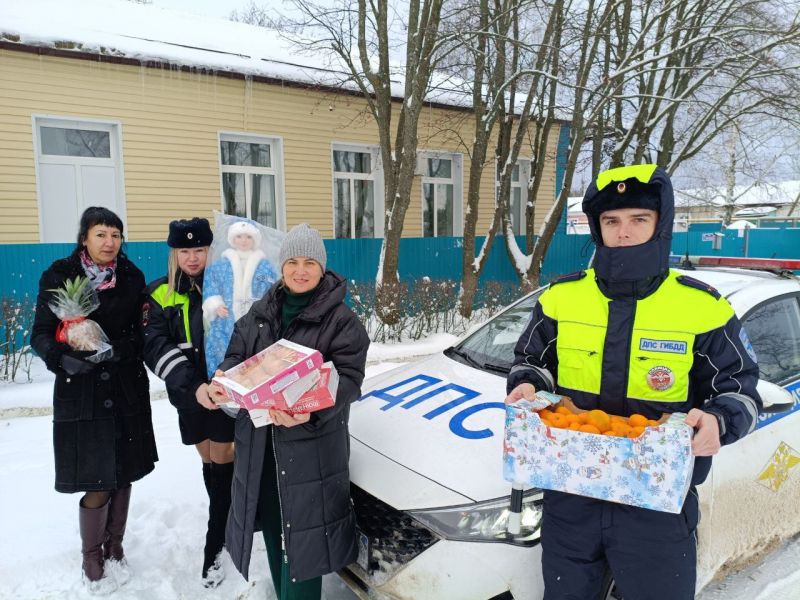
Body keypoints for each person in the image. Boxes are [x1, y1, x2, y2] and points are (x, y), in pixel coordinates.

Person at [505, 164, 761, 600]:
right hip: (571, 494)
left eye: (638, 219)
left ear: (660, 225)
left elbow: (738, 388)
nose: (623, 232)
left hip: (658, 503)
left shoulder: (701, 306)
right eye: (611, 221)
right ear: (597, 227)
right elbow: (532, 361)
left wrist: (720, 419)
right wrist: (527, 385)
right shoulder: (561, 297)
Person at [205, 223, 370, 600]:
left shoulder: (341, 320)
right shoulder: (261, 312)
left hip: (308, 453)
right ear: (281, 266)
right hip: (261, 449)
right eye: (292, 261)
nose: (300, 270)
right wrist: (227, 377)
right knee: (276, 533)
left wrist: (309, 412)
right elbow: (236, 352)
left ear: (322, 267)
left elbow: (349, 380)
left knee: (303, 546)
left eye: (309, 262)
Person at [31, 206, 158, 595]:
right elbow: (39, 333)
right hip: (81, 390)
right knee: (97, 477)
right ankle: (91, 554)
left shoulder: (133, 278)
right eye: (101, 234)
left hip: (124, 388)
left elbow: (143, 334)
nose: (109, 242)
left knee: (124, 472)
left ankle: (115, 545)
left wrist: (119, 350)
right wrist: (59, 357)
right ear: (84, 237)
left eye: (116, 235)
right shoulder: (58, 276)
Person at [141, 217, 235, 588]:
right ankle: (228, 514)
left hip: (225, 393)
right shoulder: (160, 293)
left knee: (223, 454)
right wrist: (194, 387)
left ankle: (217, 540)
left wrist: (225, 379)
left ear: (210, 249)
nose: (193, 257)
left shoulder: (226, 288)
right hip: (189, 396)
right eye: (185, 250)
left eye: (199, 249)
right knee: (207, 455)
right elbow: (155, 345)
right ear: (174, 253)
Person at [203, 219, 279, 378]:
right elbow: (211, 284)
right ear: (232, 239)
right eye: (239, 236)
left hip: (257, 318)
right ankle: (222, 382)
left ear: (255, 240)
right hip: (226, 319)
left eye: (248, 237)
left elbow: (272, 290)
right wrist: (215, 304)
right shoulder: (220, 265)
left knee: (255, 351)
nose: (243, 241)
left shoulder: (264, 266)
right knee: (223, 351)